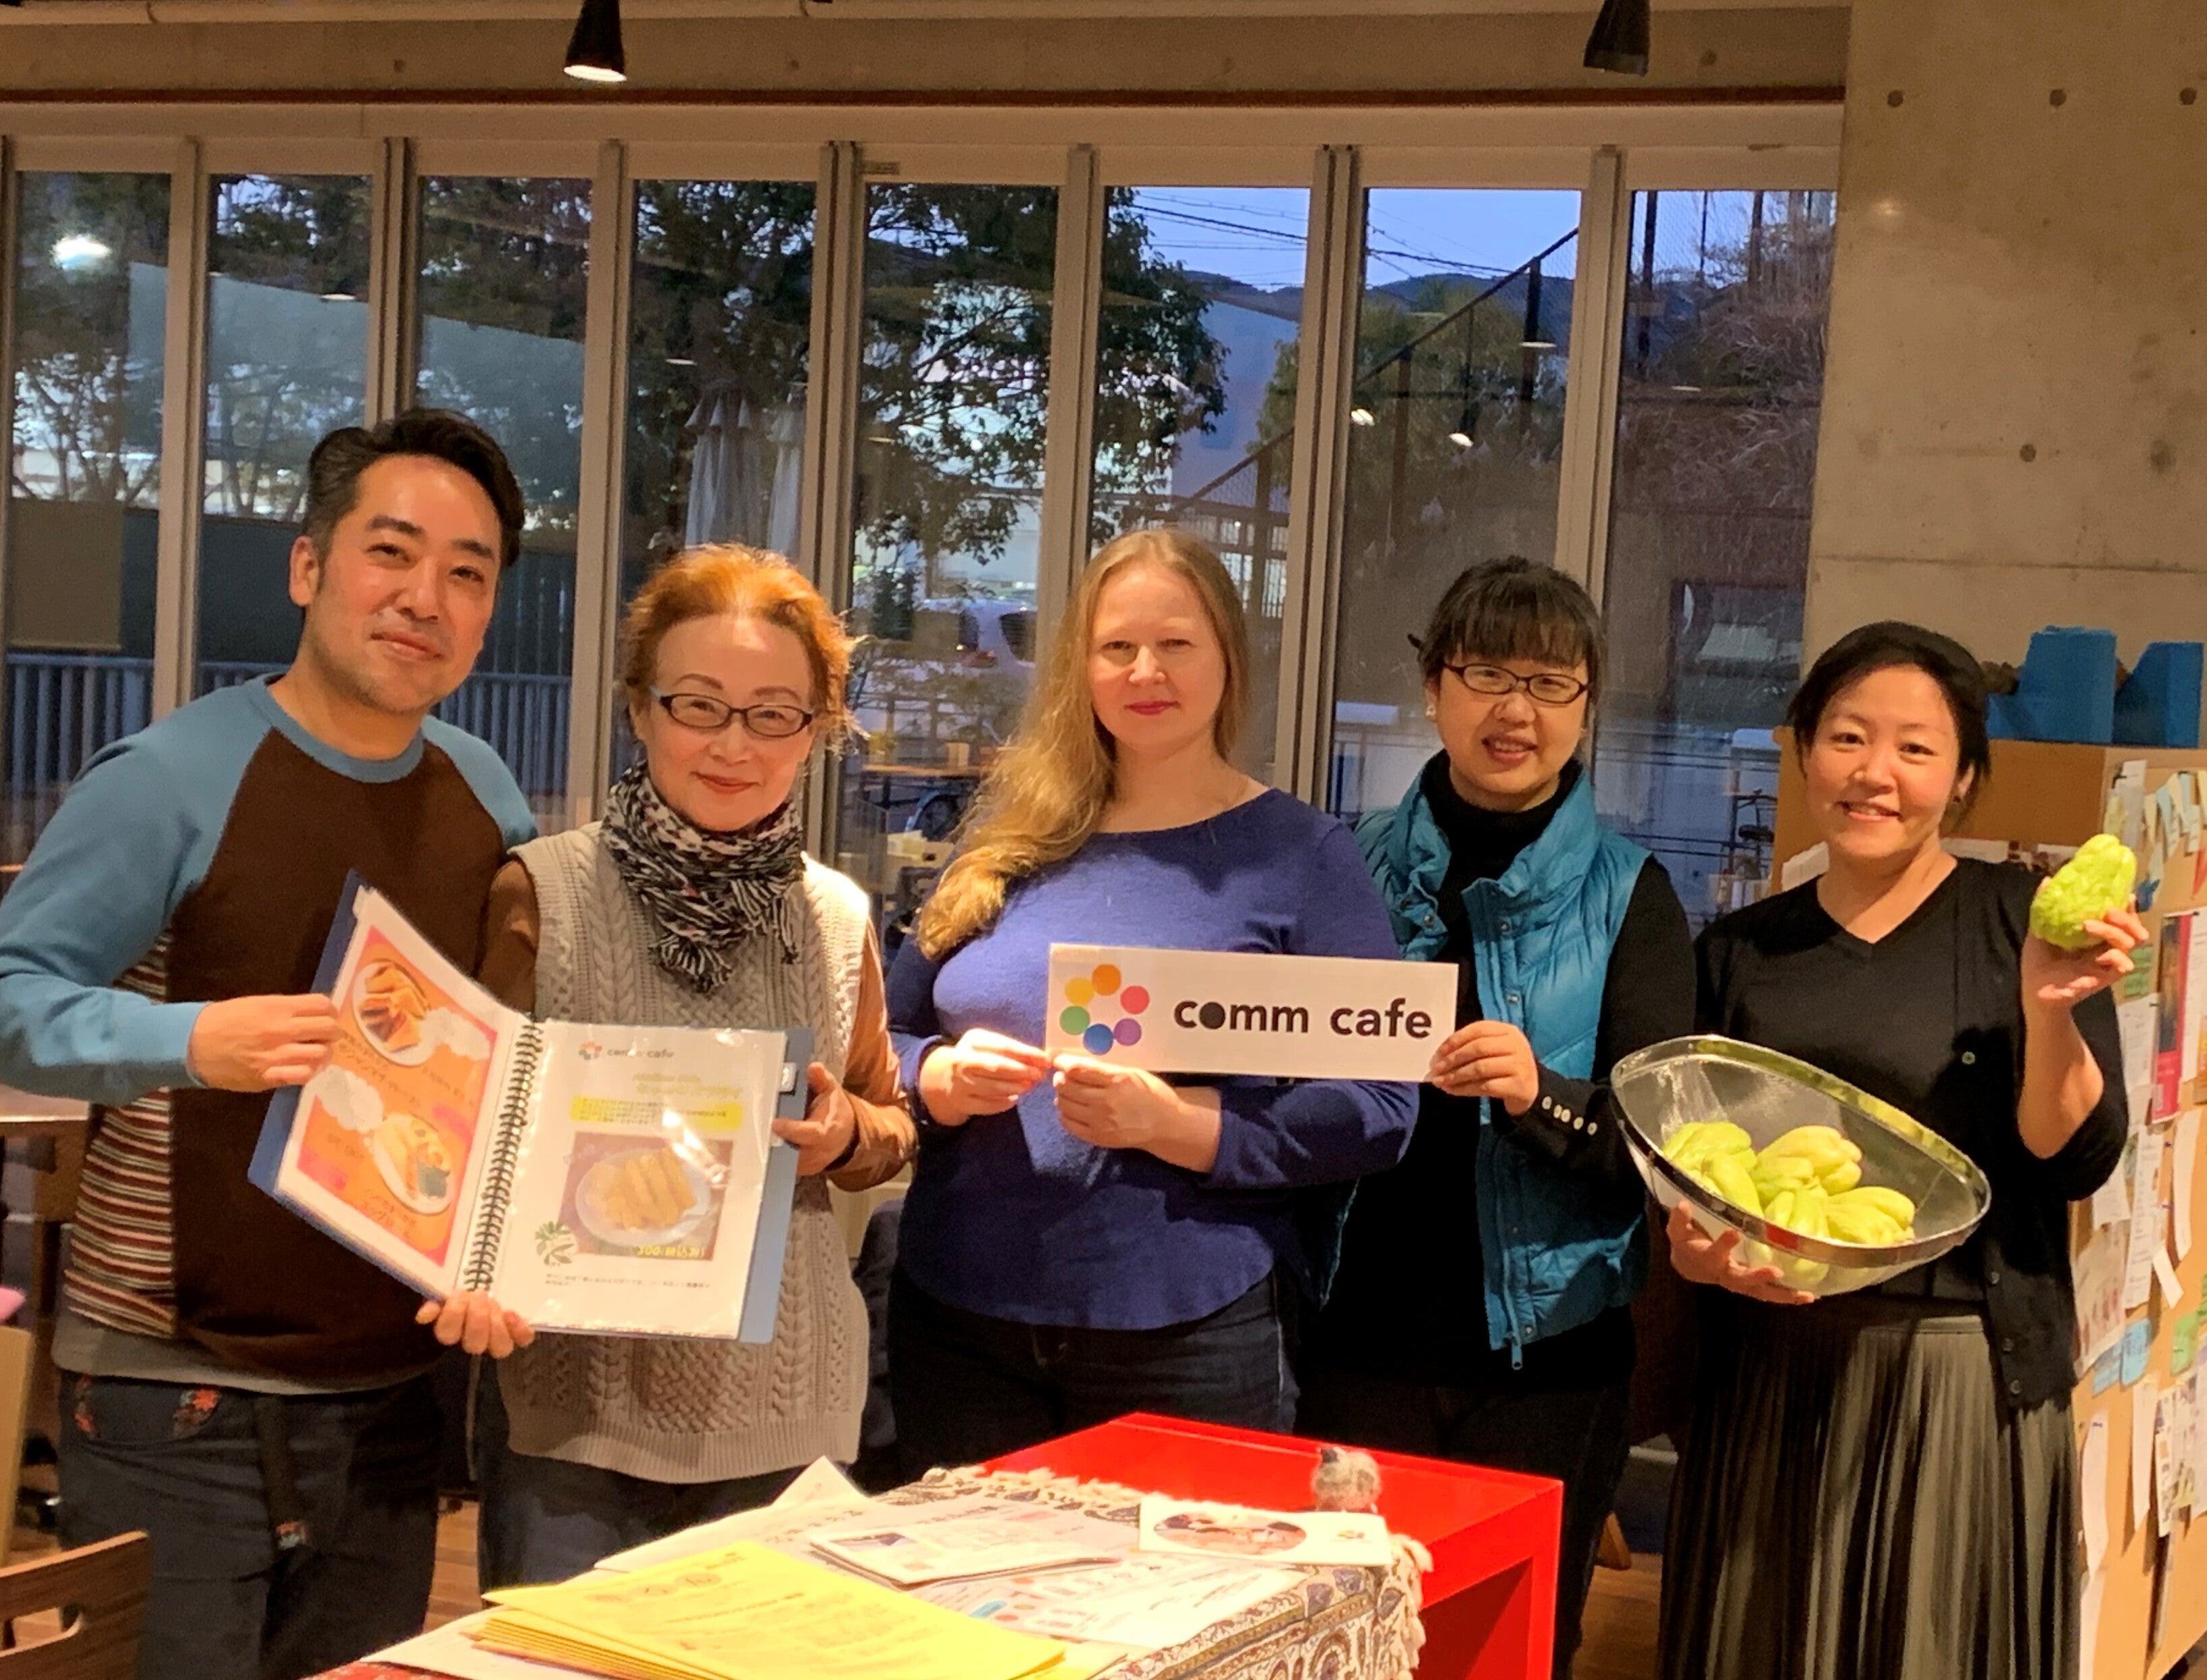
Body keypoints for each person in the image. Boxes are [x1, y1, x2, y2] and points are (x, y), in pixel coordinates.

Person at [0, 410, 539, 1680]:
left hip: (391, 1390)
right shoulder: (168, 777)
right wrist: (188, 1038)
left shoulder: (483, 792)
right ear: (308, 566)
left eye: (467, 572)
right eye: (391, 552)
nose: (425, 598)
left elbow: (498, 1059)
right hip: (173, 1393)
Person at [883, 527, 1418, 1472]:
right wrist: (937, 1076)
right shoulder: (1003, 843)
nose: (1145, 671)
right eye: (1117, 646)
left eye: (1175, 644)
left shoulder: (1303, 858)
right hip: (959, 1322)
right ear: (1080, 667)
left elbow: (1379, 1107)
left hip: (1189, 1335)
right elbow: (881, 1037)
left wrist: (1181, 1124)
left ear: (1227, 658)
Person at [1661, 622, 2137, 1680]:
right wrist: (1692, 1250)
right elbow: (1695, 1153)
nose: (1873, 771)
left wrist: (2048, 1009)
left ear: (1961, 778)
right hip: (1770, 1373)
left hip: (1955, 1377)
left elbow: (2072, 1160)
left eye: (1914, 748)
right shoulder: (1738, 951)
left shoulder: (2021, 922)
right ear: (1803, 751)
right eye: (1846, 736)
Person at [455, 545, 915, 1589]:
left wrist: (846, 1132)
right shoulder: (540, 893)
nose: (733, 744)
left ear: (814, 729)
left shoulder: (835, 914)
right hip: (574, 1420)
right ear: (639, 707)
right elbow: (468, 1132)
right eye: (698, 705)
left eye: (773, 714)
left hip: (783, 1416)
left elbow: (889, 1124)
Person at [1297, 556, 1695, 1680]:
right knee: (1335, 1646)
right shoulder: (1340, 864)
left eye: (1550, 683)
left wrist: (1540, 1094)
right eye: (1484, 673)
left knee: (1506, 1653)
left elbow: (1662, 1149)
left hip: (1547, 1364)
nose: (1515, 709)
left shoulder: (1631, 893)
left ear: (1584, 706)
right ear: (1433, 685)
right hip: (1351, 1338)